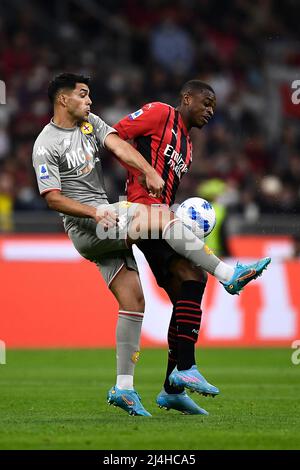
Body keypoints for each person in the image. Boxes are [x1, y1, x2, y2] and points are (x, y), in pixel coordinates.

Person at [32, 73, 270, 417]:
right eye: (83, 95)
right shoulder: (45, 144)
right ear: (63, 99)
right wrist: (97, 211)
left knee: (134, 301)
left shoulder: (91, 125)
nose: (90, 101)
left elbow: (118, 144)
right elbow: (52, 198)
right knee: (161, 218)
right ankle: (229, 274)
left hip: (107, 222)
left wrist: (146, 170)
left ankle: (124, 388)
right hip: (87, 223)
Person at [114, 80, 269, 415]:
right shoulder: (158, 113)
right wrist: (138, 171)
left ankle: (173, 385)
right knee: (193, 277)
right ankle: (183, 370)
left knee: (186, 290)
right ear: (187, 98)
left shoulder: (188, 144)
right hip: (143, 216)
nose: (211, 110)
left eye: (214, 106)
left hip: (160, 220)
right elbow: (115, 134)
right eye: (207, 102)